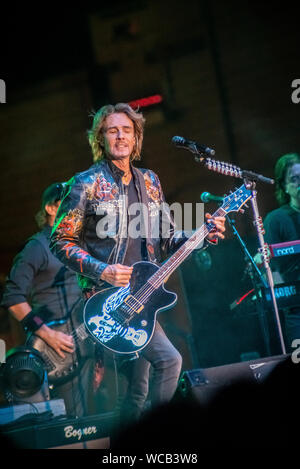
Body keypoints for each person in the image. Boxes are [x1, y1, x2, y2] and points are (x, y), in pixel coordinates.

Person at [50, 103, 226, 424]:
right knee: (169, 361)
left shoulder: (149, 182)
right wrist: (102, 269)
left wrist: (203, 233)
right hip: (107, 302)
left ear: (136, 138)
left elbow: (169, 238)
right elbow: (60, 241)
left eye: (127, 130)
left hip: (143, 298)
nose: (120, 136)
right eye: (112, 130)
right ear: (100, 139)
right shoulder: (85, 183)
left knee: (135, 392)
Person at [1, 182, 98, 417]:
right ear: (51, 209)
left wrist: (98, 360)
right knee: (67, 426)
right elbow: (13, 297)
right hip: (53, 350)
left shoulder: (79, 246)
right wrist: (47, 334)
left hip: (83, 344)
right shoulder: (37, 246)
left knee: (85, 420)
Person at [263, 153, 300, 352]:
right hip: (297, 308)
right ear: (284, 186)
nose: (299, 183)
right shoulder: (276, 220)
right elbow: (270, 267)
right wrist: (285, 299)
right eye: (294, 179)